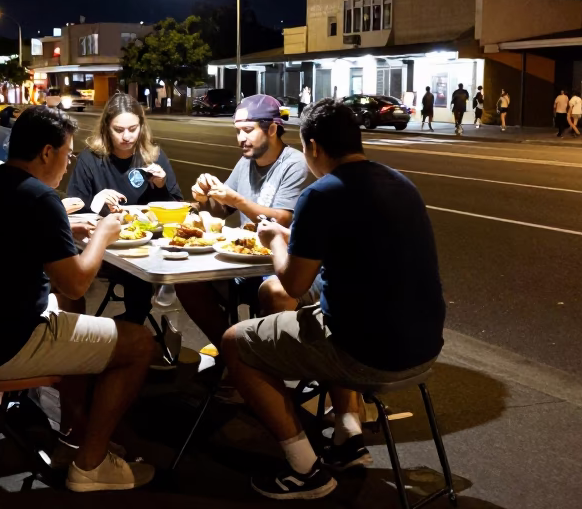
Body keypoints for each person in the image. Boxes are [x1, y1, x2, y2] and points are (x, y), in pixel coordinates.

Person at [221, 99, 446, 499]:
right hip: (425, 348)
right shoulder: (401, 184)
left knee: (235, 343)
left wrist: (273, 240)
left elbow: (292, 282)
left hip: (366, 355)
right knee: (322, 310)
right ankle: (347, 432)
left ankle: (305, 470)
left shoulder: (322, 194)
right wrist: (294, 241)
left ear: (313, 147)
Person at [0, 106, 157, 492]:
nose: (69, 163)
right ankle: (92, 465)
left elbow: (11, 236)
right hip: (1, 345)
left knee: (71, 321)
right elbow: (75, 284)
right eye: (67, 154)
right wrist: (104, 232)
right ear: (46, 153)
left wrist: (65, 226)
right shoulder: (39, 197)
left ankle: (75, 437)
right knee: (139, 344)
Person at [177, 94, 312, 350]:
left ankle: (260, 362)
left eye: (248, 131)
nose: (241, 138)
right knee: (186, 282)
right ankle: (231, 352)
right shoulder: (245, 162)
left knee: (273, 294)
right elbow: (221, 210)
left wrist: (237, 200)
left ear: (272, 129)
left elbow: (282, 218)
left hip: (278, 264)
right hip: (243, 263)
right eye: (238, 131)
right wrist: (203, 198)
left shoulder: (294, 164)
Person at [68, 94, 183, 326]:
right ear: (106, 128)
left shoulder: (154, 157)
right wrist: (97, 201)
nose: (126, 136)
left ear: (142, 126)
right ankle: (130, 330)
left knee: (170, 259)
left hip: (149, 241)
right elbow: (73, 206)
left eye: (133, 129)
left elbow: (178, 207)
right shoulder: (91, 159)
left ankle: (132, 328)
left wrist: (160, 187)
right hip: (107, 246)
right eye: (118, 129)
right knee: (137, 271)